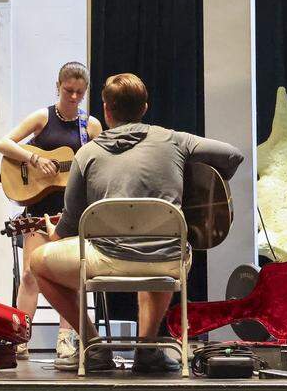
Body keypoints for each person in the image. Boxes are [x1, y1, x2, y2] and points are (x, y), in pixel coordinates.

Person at [29, 73, 244, 373]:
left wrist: (53, 235)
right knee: (158, 245)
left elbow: (70, 225)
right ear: (144, 107)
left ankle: (94, 346)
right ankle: (147, 349)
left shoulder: (86, 154)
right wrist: (195, 182)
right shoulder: (173, 139)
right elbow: (233, 156)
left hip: (105, 261)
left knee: (38, 262)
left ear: (106, 109)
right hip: (166, 261)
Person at [0, 62, 103, 361]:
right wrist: (32, 158)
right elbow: (3, 143)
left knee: (70, 274)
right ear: (58, 86)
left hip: (71, 212)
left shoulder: (91, 127)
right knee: (30, 273)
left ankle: (67, 340)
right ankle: (20, 336)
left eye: (80, 93)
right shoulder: (43, 117)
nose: (73, 97)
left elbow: (99, 165)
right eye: (69, 91)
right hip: (39, 209)